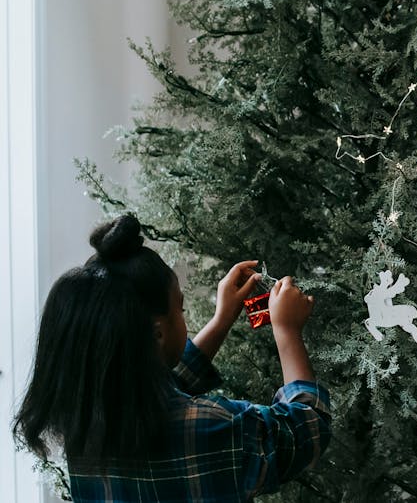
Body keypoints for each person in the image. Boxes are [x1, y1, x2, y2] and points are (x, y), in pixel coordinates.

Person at [12, 214, 330, 502]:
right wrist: (287, 330)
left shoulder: (85, 425)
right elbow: (306, 430)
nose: (183, 315)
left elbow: (165, 387)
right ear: (157, 334)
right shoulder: (213, 428)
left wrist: (221, 320)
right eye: (180, 307)